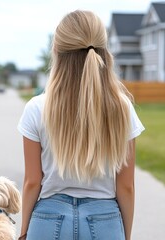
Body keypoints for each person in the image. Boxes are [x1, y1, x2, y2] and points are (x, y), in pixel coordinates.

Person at [17, 10, 145, 240]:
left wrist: (24, 231)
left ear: (56, 51)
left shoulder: (36, 108)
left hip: (48, 220)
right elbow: (126, 186)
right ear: (105, 52)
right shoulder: (122, 108)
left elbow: (32, 181)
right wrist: (125, 235)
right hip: (105, 220)